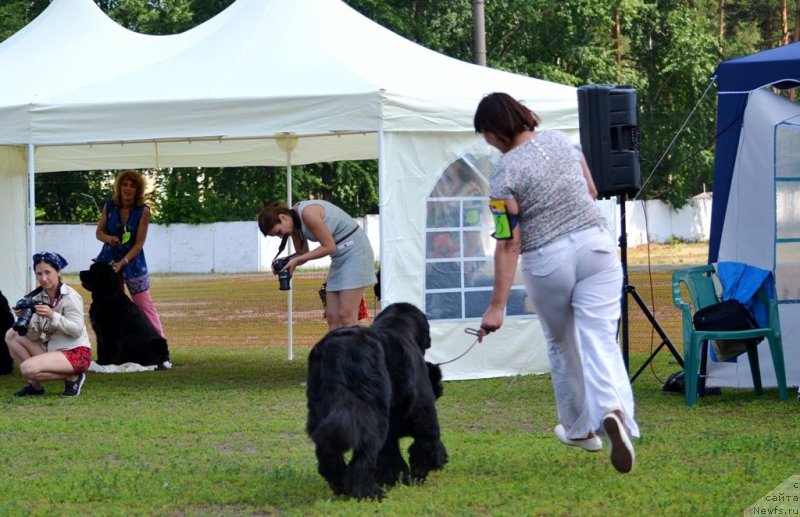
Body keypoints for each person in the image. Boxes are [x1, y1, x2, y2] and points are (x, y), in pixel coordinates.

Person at [473, 92, 639, 473]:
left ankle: (581, 430)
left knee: (562, 344)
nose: (487, 142)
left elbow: (508, 241)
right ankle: (612, 410)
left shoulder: (503, 175)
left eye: (485, 134)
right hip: (596, 247)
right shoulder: (562, 141)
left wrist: (496, 306)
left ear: (496, 131)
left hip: (548, 260)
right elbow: (592, 191)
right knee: (599, 337)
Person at [258, 200, 375, 330]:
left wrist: (296, 260)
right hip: (339, 257)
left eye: (279, 232)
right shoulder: (294, 225)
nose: (281, 237)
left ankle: (362, 349)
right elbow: (302, 253)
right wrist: (285, 262)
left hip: (356, 252)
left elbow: (329, 247)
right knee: (332, 316)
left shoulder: (308, 213)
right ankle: (336, 350)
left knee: (347, 316)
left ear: (282, 217)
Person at [5, 252, 92, 397]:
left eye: (48, 272)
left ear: (58, 272)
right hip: (52, 349)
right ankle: (35, 386)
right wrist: (27, 323)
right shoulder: (38, 297)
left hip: (76, 351)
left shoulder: (71, 296)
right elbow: (36, 335)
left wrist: (53, 315)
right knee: (12, 334)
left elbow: (77, 331)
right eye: (39, 274)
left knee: (27, 369)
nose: (43, 279)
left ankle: (73, 377)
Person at [96, 169, 164, 338]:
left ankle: (161, 347)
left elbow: (139, 243)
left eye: (132, 186)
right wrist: (110, 239)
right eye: (124, 185)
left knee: (144, 306)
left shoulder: (143, 211)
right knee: (112, 306)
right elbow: (99, 233)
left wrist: (123, 261)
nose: (128, 189)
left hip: (133, 263)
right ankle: (117, 348)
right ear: (119, 187)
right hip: (109, 261)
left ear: (138, 190)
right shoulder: (109, 206)